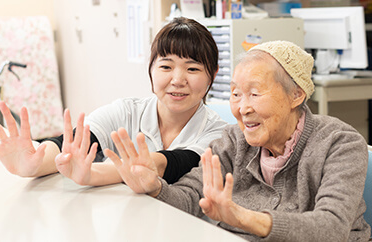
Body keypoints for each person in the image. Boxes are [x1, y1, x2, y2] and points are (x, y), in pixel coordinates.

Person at [105, 40, 371, 241]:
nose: (242, 108)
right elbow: (191, 197)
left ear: (296, 95)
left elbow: (331, 228)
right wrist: (155, 187)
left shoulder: (340, 143)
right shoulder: (233, 141)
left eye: (254, 94)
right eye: (235, 94)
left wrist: (242, 217)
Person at [0, 17, 227, 186]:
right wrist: (35, 163)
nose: (177, 79)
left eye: (192, 69)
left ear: (212, 75)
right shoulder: (125, 112)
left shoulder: (221, 134)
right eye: (166, 66)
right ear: (151, 69)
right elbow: (72, 144)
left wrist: (91, 175)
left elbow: (165, 164)